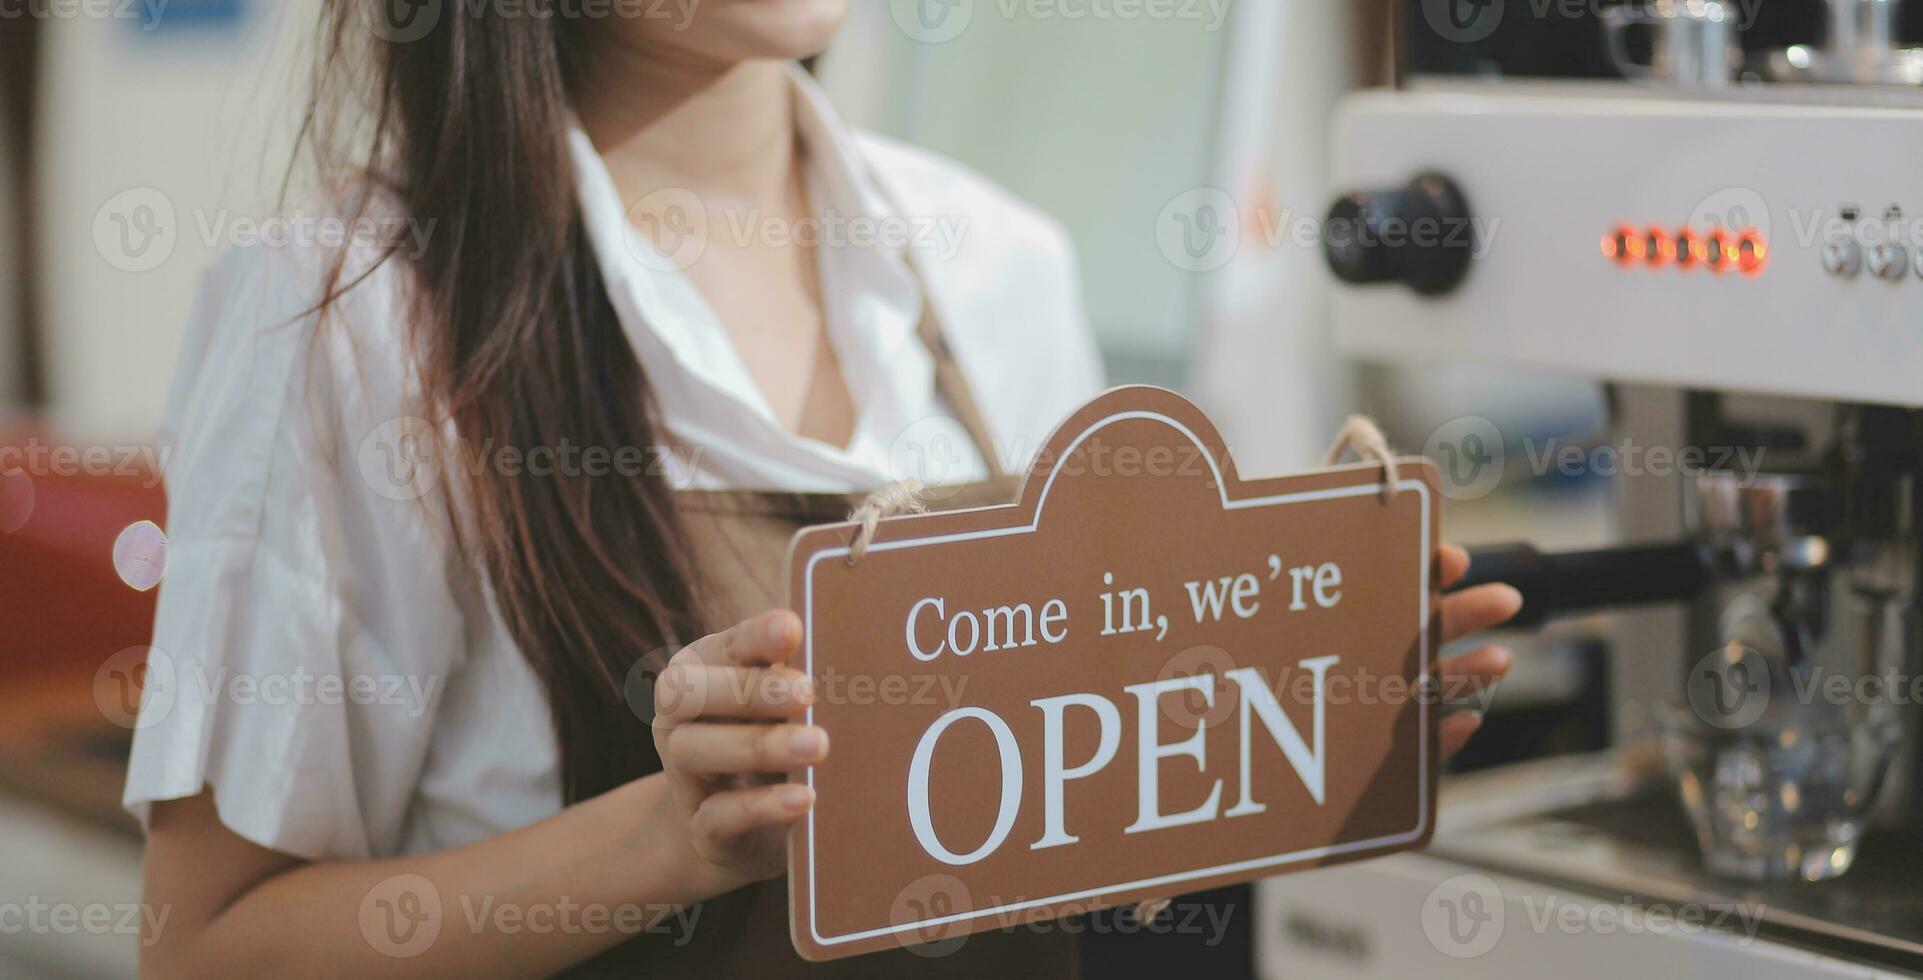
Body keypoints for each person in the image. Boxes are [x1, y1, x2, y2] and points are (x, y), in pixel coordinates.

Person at [128, 1, 1523, 976]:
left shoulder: (996, 266)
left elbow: (1083, 816)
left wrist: (1299, 717)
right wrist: (662, 847)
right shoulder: (346, 321)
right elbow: (210, 948)